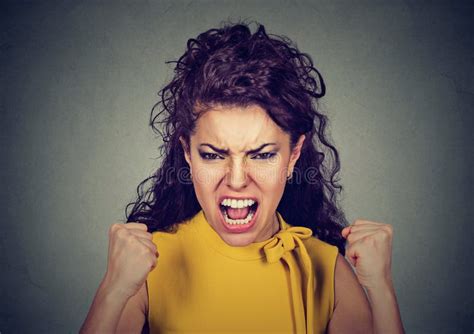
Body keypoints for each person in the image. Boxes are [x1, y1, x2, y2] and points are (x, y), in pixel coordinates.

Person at [80, 21, 405, 334]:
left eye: (262, 155)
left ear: (294, 155)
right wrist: (113, 290)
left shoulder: (329, 270)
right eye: (213, 155)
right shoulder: (148, 268)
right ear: (188, 155)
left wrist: (381, 290)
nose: (236, 180)